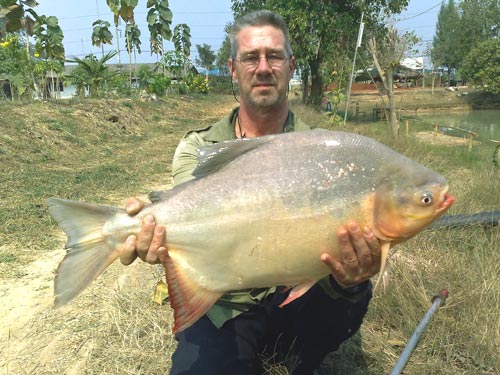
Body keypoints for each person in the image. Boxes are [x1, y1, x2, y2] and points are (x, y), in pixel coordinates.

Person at [120, 10, 381, 375]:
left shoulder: (320, 151)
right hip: (226, 301)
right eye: (250, 57)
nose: (263, 67)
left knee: (357, 287)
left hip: (297, 297)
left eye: (274, 56)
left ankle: (303, 352)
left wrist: (350, 279)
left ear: (291, 66)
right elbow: (186, 213)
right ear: (232, 68)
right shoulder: (199, 146)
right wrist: (153, 232)